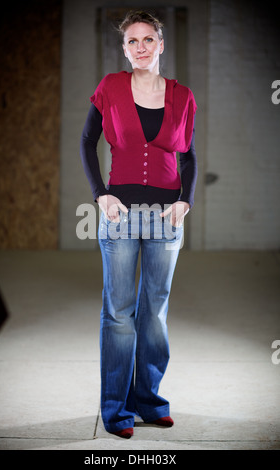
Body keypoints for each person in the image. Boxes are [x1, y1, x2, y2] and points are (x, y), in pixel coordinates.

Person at [80, 10, 197, 439]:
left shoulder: (182, 96)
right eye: (133, 41)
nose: (141, 47)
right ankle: (116, 410)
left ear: (161, 45)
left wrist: (185, 200)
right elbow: (87, 141)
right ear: (124, 48)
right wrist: (100, 194)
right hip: (120, 216)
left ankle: (149, 401)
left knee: (154, 315)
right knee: (118, 313)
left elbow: (189, 156)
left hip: (167, 218)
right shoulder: (109, 88)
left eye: (149, 39)